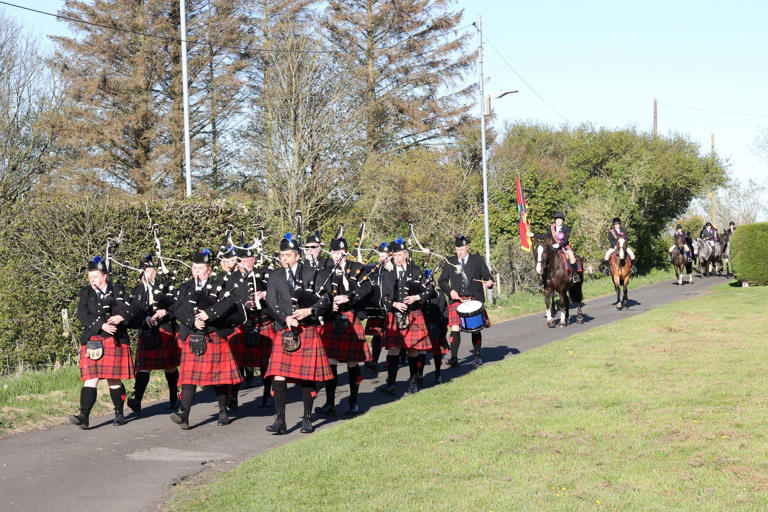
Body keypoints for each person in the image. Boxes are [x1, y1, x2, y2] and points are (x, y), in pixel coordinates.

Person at [264, 233, 334, 435]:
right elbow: (271, 302)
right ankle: (280, 420)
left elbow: (326, 299)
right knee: (278, 374)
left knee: (306, 377)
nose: (284, 258)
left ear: (297, 256)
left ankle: (307, 418)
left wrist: (310, 311)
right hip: (285, 329)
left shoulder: (312, 273)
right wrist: (285, 318)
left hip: (307, 329)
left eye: (287, 255)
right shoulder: (275, 275)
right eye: (281, 255)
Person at [169, 249, 243, 429]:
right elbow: (177, 308)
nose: (197, 271)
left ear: (209, 270)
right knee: (189, 377)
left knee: (218, 377)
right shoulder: (185, 287)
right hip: (192, 334)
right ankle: (184, 414)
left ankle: (223, 411)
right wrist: (192, 320)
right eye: (194, 267)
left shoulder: (219, 285)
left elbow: (229, 303)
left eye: (200, 268)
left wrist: (209, 314)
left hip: (213, 334)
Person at [70, 256, 134, 429]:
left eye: (96, 277)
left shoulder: (117, 290)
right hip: (93, 338)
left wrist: (121, 317)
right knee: (91, 378)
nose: (92, 281)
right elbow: (82, 315)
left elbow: (131, 309)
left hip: (115, 340)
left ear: (104, 276)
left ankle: (119, 414)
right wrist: (101, 325)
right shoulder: (85, 292)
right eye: (90, 277)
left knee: (114, 379)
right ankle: (84, 415)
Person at [316, 236, 373, 416]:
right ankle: (330, 403)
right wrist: (329, 303)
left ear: (346, 252)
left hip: (350, 317)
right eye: (333, 252)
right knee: (330, 361)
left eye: (339, 252)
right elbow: (320, 292)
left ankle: (353, 402)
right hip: (332, 318)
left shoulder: (356, 268)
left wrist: (350, 297)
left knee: (352, 362)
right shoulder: (326, 271)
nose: (336, 255)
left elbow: (368, 288)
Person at [126, 254, 181, 414]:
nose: (146, 274)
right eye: (143, 271)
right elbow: (133, 312)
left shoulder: (166, 286)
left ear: (155, 271)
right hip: (147, 332)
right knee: (143, 367)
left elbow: (178, 305)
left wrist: (166, 312)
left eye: (149, 270)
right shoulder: (136, 291)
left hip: (165, 330)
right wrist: (145, 318)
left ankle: (174, 397)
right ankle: (137, 400)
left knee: (170, 366)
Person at [380, 237, 434, 395]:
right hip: (395, 314)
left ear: (405, 255)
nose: (396, 258)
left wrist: (416, 297)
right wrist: (394, 304)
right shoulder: (388, 272)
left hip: (413, 313)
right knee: (393, 350)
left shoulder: (415, 270)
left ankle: (413, 382)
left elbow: (430, 288)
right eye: (394, 255)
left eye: (399, 255)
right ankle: (390, 384)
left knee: (412, 349)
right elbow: (384, 296)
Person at [437, 235, 493, 367]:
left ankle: (477, 357)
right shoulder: (450, 262)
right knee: (455, 327)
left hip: (474, 299)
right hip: (457, 300)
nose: (459, 252)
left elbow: (487, 276)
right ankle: (454, 358)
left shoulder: (477, 259)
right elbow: (442, 281)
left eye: (461, 249)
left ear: (467, 248)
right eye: (457, 249)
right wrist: (450, 291)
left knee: (475, 329)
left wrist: (489, 282)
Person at [362, 242, 391, 374]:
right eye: (380, 256)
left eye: (384, 256)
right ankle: (374, 361)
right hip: (377, 307)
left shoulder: (394, 269)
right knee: (376, 334)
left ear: (390, 256)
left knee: (394, 337)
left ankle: (396, 359)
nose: (381, 258)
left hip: (392, 308)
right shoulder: (373, 268)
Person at [421, 269, 449, 384]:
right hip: (422, 327)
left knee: (437, 352)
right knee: (421, 353)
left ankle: (438, 374)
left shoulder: (439, 293)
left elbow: (444, 311)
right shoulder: (419, 294)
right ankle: (419, 374)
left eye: (431, 282)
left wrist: (444, 327)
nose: (430, 284)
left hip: (437, 326)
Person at [550, 211, 581, 283]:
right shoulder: (552, 228)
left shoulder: (565, 228)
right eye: (557, 219)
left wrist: (559, 245)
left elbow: (565, 239)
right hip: (554, 248)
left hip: (564, 248)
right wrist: (533, 235)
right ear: (555, 220)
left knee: (571, 257)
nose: (558, 221)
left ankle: (575, 274)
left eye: (560, 220)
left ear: (562, 221)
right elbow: (544, 236)